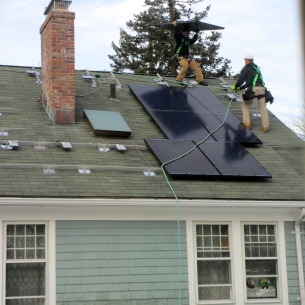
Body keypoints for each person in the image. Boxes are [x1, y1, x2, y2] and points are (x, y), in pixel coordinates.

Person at [232, 54, 269, 133]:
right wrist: (241, 88)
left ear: (248, 60)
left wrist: (235, 87)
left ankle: (247, 123)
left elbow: (241, 80)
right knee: (263, 108)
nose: (244, 61)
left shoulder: (246, 68)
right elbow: (250, 82)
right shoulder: (257, 69)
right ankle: (265, 126)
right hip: (262, 89)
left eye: (245, 60)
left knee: (246, 105)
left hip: (253, 89)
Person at [172, 21, 208, 86]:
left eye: (188, 33)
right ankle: (179, 79)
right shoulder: (180, 39)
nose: (187, 34)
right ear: (183, 33)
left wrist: (197, 32)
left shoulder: (188, 41)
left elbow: (194, 39)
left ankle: (200, 80)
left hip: (187, 58)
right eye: (186, 33)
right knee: (185, 65)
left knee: (196, 65)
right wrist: (175, 26)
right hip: (180, 57)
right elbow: (175, 34)